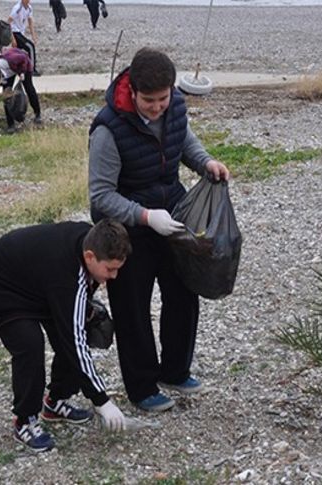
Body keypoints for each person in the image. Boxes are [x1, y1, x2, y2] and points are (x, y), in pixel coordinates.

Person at [88, 47, 230, 412]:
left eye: (163, 99)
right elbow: (101, 195)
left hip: (173, 213)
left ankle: (176, 370)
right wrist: (145, 216)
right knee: (133, 307)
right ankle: (142, 386)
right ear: (132, 91)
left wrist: (206, 163)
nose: (157, 107)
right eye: (149, 101)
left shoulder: (175, 107)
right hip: (127, 229)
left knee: (184, 292)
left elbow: (184, 142)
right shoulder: (109, 128)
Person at [0, 219, 132, 452]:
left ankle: (56, 401)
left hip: (38, 286)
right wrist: (102, 401)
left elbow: (73, 331)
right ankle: (25, 420)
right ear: (89, 257)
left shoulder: (93, 241)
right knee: (30, 345)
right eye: (110, 269)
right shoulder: (68, 274)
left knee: (76, 330)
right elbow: (74, 341)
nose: (114, 276)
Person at [0, 44, 42, 131]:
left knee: (29, 88)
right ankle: (11, 124)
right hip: (9, 71)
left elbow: (24, 57)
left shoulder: (12, 59)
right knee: (7, 95)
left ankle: (37, 113)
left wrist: (22, 72)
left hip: (23, 64)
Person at [8, 0, 40, 76]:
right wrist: (12, 39)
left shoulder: (29, 8)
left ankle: (19, 70)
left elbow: (30, 22)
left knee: (17, 53)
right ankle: (32, 69)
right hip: (15, 32)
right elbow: (8, 22)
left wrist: (33, 35)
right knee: (30, 47)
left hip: (21, 33)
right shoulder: (17, 8)